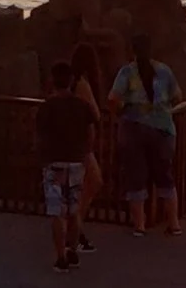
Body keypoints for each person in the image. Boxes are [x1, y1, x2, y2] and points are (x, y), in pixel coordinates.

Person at [107, 34, 182, 237]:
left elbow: (113, 99)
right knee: (165, 176)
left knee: (136, 176)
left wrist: (122, 112)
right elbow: (177, 96)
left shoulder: (127, 72)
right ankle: (173, 224)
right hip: (163, 129)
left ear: (132, 50)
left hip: (133, 129)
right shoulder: (164, 71)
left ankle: (139, 225)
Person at [36, 59, 97, 272]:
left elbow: (39, 136)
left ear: (53, 81)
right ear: (72, 81)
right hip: (76, 163)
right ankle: (72, 250)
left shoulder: (47, 107)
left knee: (57, 212)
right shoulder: (82, 106)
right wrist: (84, 154)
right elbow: (91, 133)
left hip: (54, 164)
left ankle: (61, 256)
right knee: (74, 210)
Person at [66, 45, 105, 249]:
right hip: (81, 142)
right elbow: (95, 114)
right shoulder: (82, 84)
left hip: (69, 141)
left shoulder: (69, 83)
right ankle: (74, 228)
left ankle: (76, 230)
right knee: (94, 182)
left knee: (81, 186)